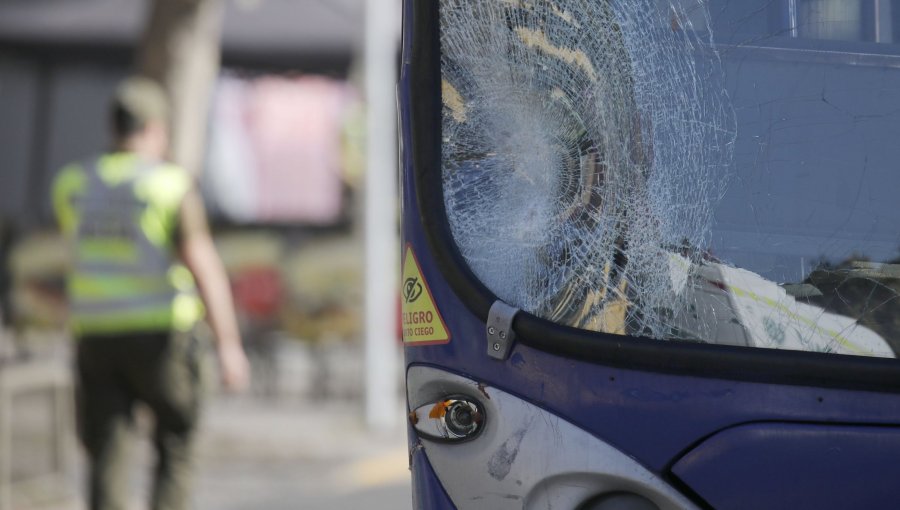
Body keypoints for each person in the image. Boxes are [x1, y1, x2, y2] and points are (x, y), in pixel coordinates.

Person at [52, 76, 250, 510]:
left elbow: (72, 255)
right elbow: (204, 267)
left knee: (106, 452)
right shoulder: (168, 186)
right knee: (176, 447)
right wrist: (229, 346)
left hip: (96, 336)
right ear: (157, 128)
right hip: (163, 338)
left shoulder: (73, 184)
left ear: (113, 127)